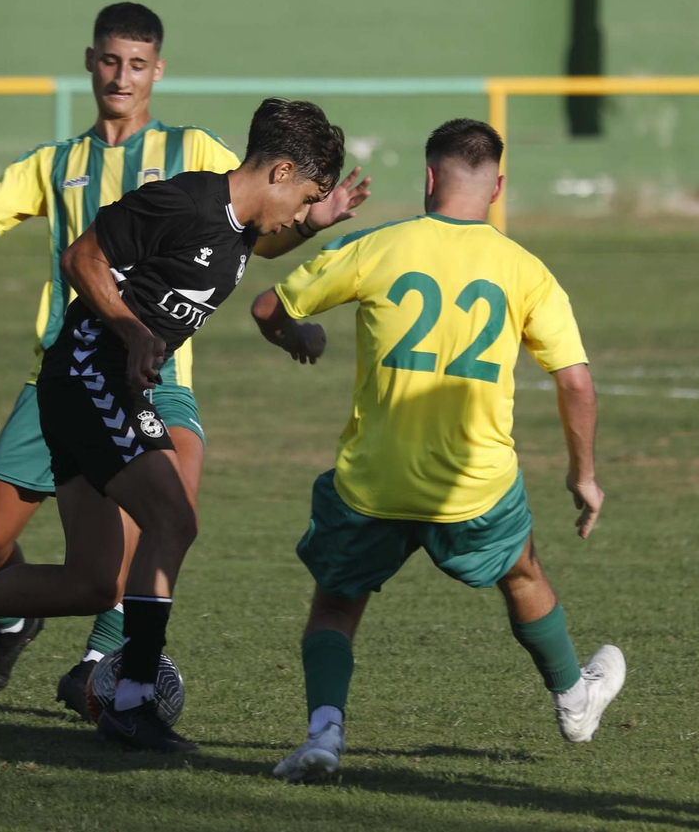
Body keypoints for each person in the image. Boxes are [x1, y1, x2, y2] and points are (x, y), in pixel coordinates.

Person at [0, 3, 369, 711]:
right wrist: (133, 332)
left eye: (138, 62)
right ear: (280, 170)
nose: (303, 212)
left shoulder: (234, 216)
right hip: (89, 368)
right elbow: (80, 254)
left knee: (95, 579)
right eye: (305, 197)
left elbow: (247, 244)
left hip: (122, 378)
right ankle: (130, 689)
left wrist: (292, 322)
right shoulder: (179, 193)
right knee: (162, 519)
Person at [251, 119, 625, 784]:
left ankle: (323, 736)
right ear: (499, 187)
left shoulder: (380, 246)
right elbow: (575, 381)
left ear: (428, 178)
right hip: (472, 485)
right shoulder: (526, 270)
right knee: (524, 574)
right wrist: (584, 476)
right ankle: (574, 701)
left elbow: (267, 305)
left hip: (375, 479)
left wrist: (299, 338)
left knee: (336, 604)